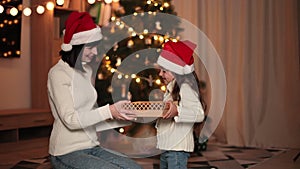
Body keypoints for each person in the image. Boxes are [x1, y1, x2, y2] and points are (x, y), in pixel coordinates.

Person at [47, 11, 142, 169]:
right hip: (66, 152)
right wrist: (110, 111)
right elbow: (71, 120)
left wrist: (121, 117)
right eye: (90, 47)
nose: (96, 53)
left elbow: (90, 119)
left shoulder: (85, 71)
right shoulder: (58, 74)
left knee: (135, 168)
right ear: (75, 47)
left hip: (92, 147)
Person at [155, 40, 206, 169]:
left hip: (176, 149)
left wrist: (178, 111)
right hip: (167, 146)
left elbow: (199, 114)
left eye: (164, 71)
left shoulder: (185, 88)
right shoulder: (170, 89)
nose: (160, 74)